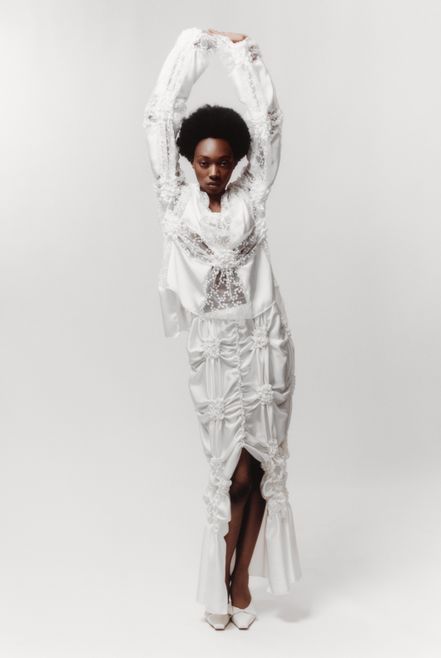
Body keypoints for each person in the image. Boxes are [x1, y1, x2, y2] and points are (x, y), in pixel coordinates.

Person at [142, 26, 302, 630]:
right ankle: (219, 581)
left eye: (223, 162)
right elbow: (160, 116)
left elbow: (268, 123)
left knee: (261, 468)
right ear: (190, 161)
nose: (213, 171)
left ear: (237, 163)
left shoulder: (252, 198)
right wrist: (196, 45)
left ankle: (239, 585)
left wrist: (243, 57)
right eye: (204, 162)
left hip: (265, 342)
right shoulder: (174, 201)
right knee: (230, 473)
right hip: (213, 350)